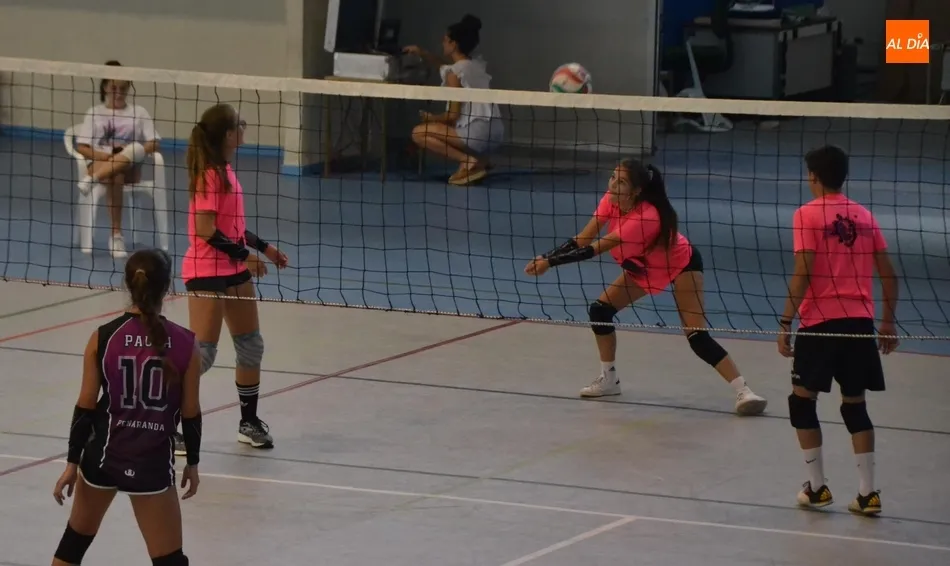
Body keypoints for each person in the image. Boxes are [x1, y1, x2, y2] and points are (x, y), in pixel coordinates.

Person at [524, 159, 768, 415]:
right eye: (612, 177)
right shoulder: (611, 200)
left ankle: (744, 391)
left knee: (696, 336)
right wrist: (546, 256)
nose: (613, 185)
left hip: (681, 266)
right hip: (644, 269)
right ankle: (609, 379)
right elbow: (582, 239)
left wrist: (550, 263)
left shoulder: (646, 217)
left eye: (621, 182)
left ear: (636, 190)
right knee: (600, 310)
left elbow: (593, 249)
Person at [50, 248, 201, 566]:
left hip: (103, 458)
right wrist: (193, 463)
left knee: (73, 546)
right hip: (151, 463)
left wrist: (72, 463)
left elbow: (85, 407)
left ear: (128, 285)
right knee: (170, 560)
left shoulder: (103, 337)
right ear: (167, 287)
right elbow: (190, 412)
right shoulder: (187, 343)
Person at [778, 145, 898, 516]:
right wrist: (887, 322)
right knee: (855, 406)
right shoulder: (864, 216)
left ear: (813, 176)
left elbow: (803, 271)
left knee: (802, 402)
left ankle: (816, 489)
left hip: (821, 324)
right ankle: (868, 493)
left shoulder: (806, 214)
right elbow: (889, 275)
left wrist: (785, 321)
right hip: (860, 325)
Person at [177, 103, 288, 453]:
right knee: (203, 355)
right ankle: (166, 422)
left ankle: (248, 423)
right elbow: (205, 230)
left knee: (251, 346)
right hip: (206, 271)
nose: (244, 127)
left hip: (233, 268)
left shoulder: (225, 170)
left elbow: (232, 227)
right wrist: (246, 256)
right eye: (240, 124)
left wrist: (264, 248)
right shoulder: (209, 175)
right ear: (228, 134)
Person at [74, 60, 162, 258]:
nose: (119, 93)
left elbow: (154, 143)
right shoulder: (94, 113)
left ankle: (92, 180)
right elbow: (82, 147)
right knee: (116, 173)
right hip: (100, 162)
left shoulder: (139, 112)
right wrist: (104, 156)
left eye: (123, 88)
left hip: (130, 166)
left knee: (127, 160)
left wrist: (134, 151)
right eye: (114, 88)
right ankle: (116, 235)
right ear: (105, 87)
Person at [406, 14, 504, 186]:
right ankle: (482, 161)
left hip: (477, 134)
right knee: (454, 128)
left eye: (445, 40)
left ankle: (467, 161)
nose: (442, 43)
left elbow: (452, 116)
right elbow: (443, 67)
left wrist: (431, 118)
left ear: (454, 44)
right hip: (496, 133)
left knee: (419, 133)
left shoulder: (454, 74)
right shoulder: (475, 65)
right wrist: (422, 53)